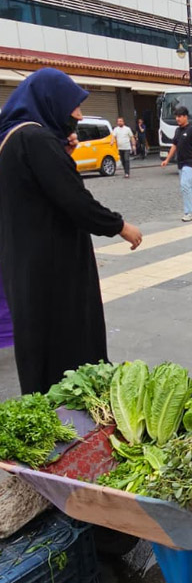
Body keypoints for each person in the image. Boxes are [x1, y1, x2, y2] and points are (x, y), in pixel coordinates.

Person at [0, 68, 142, 395]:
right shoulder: (35, 138)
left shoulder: (13, 138)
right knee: (68, 344)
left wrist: (62, 154)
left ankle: (49, 409)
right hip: (53, 267)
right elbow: (73, 199)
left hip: (27, 262)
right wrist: (120, 226)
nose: (77, 115)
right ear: (52, 102)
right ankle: (74, 415)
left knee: (42, 343)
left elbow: (38, 192)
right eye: (74, 106)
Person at [161, 105, 192, 222]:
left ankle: (189, 212)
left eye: (180, 116)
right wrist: (167, 159)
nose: (177, 119)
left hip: (191, 162)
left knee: (184, 185)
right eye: (176, 116)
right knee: (190, 186)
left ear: (186, 117)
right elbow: (174, 146)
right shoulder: (177, 131)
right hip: (181, 163)